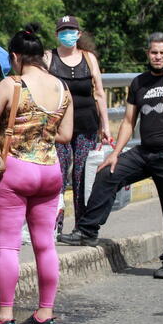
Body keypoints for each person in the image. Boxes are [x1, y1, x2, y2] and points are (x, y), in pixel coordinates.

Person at [58, 33, 163, 280]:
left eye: (162, 53)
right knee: (107, 173)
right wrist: (114, 154)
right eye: (154, 52)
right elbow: (127, 122)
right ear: (148, 53)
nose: (158, 57)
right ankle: (88, 230)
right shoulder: (139, 83)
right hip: (146, 152)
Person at [0, 24, 73, 324]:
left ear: (15, 56)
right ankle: (45, 314)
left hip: (16, 170)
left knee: (8, 247)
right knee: (45, 245)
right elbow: (67, 135)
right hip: (50, 170)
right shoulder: (62, 88)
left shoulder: (12, 84)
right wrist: (42, 129)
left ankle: (5, 316)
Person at [46, 15, 111, 235]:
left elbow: (100, 93)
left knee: (83, 176)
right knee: (58, 177)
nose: (67, 34)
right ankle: (55, 225)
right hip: (58, 128)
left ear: (79, 34)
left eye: (71, 30)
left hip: (86, 126)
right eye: (63, 31)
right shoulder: (49, 58)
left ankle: (82, 227)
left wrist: (106, 126)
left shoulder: (89, 58)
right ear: (56, 34)